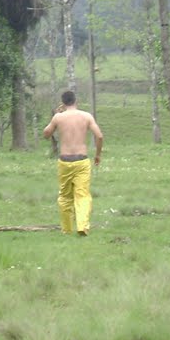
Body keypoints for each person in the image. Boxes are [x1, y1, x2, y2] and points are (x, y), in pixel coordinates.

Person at [42, 90, 103, 236]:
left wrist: (55, 117)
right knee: (82, 195)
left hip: (65, 161)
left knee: (65, 196)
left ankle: (67, 230)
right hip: (81, 160)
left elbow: (46, 134)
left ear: (63, 102)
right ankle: (82, 226)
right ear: (76, 101)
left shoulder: (58, 117)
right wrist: (98, 155)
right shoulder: (86, 116)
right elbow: (99, 136)